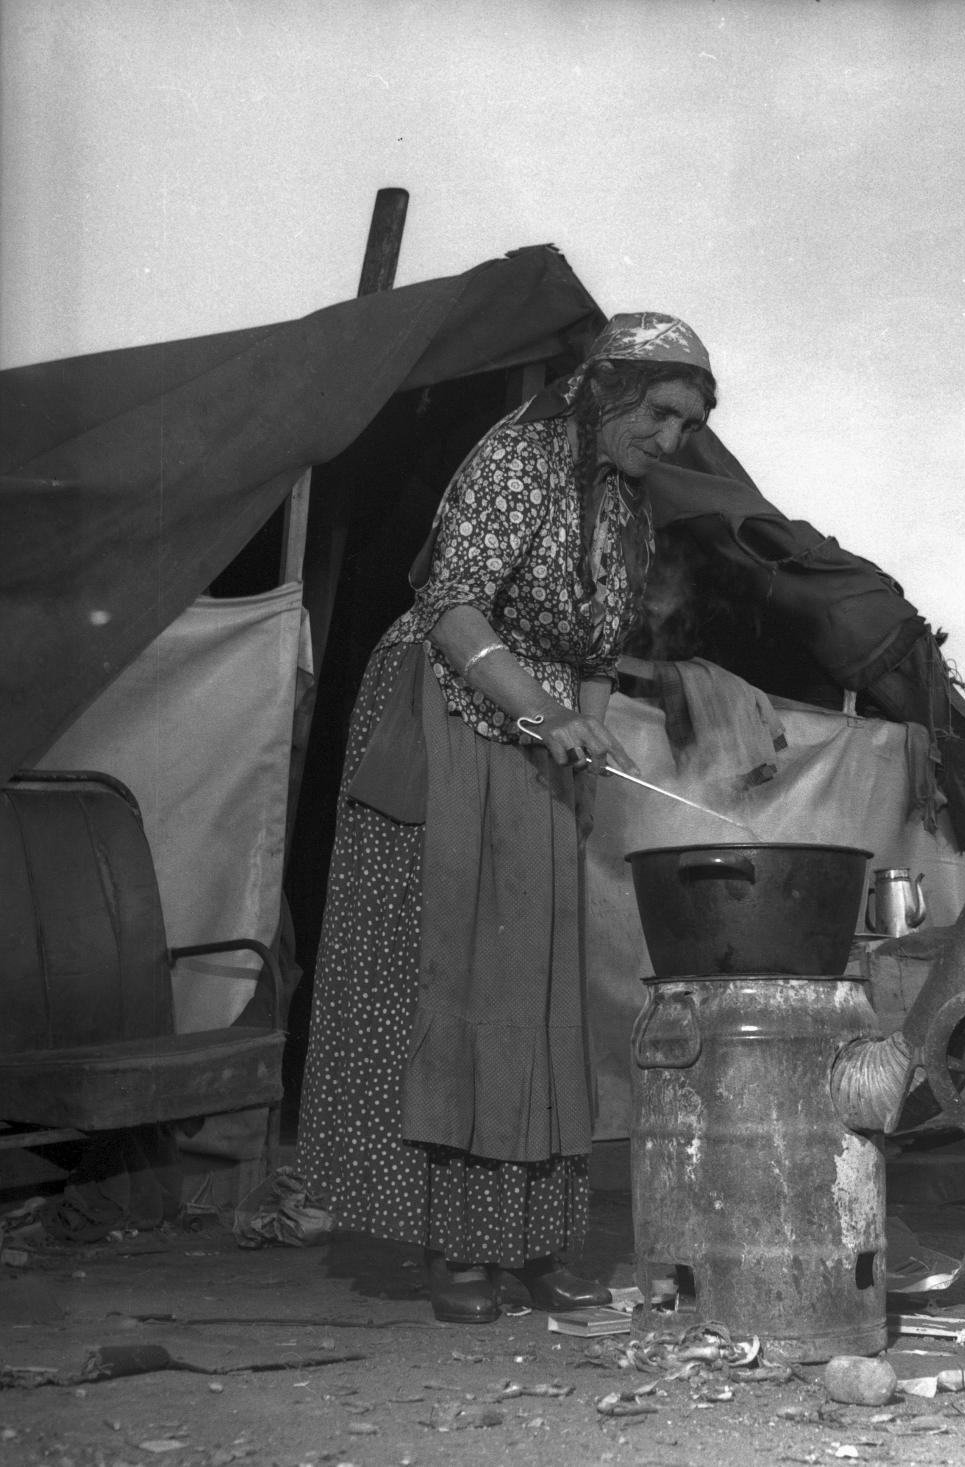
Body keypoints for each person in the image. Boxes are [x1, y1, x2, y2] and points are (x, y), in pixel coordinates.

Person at [298, 312, 716, 1323]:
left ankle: (529, 1242)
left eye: (686, 426)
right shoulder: (517, 459)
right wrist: (545, 713)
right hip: (446, 716)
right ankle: (457, 1250)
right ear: (608, 388)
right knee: (461, 975)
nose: (668, 440)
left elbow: (602, 650)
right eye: (658, 414)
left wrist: (588, 743)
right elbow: (451, 608)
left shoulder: (627, 510)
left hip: (536, 738)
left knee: (539, 982)